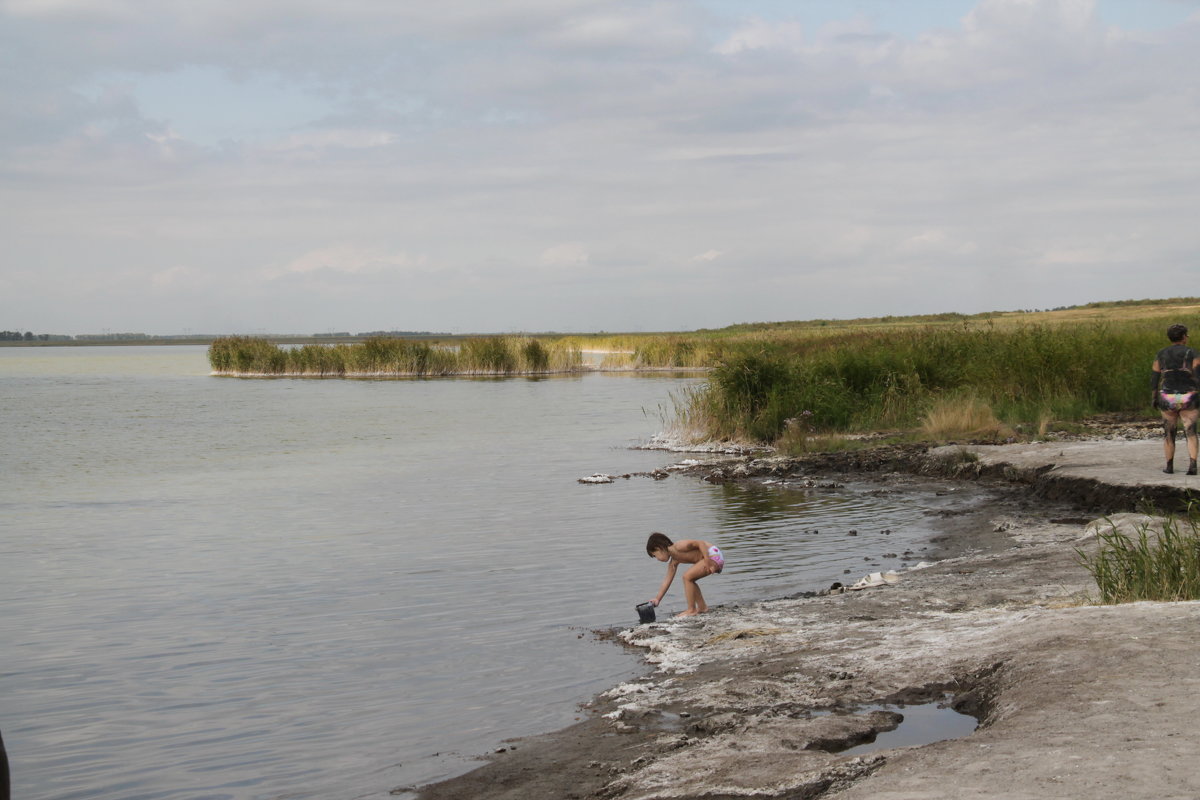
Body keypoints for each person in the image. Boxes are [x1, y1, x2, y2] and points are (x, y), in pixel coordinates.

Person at [1151, 323, 1200, 475]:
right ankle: (1192, 465)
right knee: (1191, 431)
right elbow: (1198, 375)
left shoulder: (1161, 354)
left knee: (1169, 432)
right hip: (1188, 395)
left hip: (1167, 396)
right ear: (1184, 337)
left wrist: (1154, 397)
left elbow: (1155, 377)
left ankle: (1169, 466)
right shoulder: (1192, 353)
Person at [645, 532, 724, 617]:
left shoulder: (679, 546)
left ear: (658, 548)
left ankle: (691, 609)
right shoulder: (674, 562)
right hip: (710, 559)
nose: (657, 559)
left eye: (655, 556)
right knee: (690, 580)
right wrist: (657, 599)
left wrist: (708, 562)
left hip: (713, 555)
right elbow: (667, 580)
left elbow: (700, 543)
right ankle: (702, 607)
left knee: (686, 577)